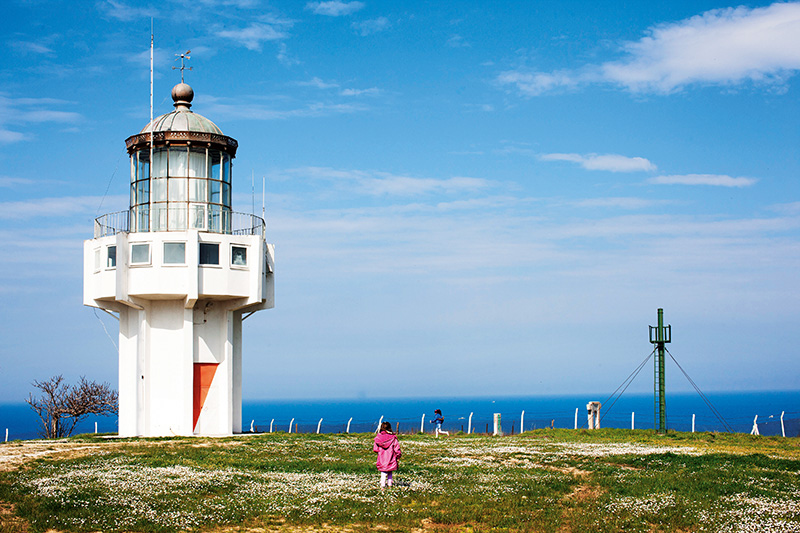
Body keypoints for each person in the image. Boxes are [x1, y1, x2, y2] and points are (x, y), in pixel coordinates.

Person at [373, 421, 402, 488]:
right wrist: (398, 456)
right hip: (391, 457)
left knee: (383, 473)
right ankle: (389, 486)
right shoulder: (393, 438)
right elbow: (397, 449)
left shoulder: (378, 438)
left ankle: (382, 486)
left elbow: (375, 449)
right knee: (390, 473)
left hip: (382, 458)